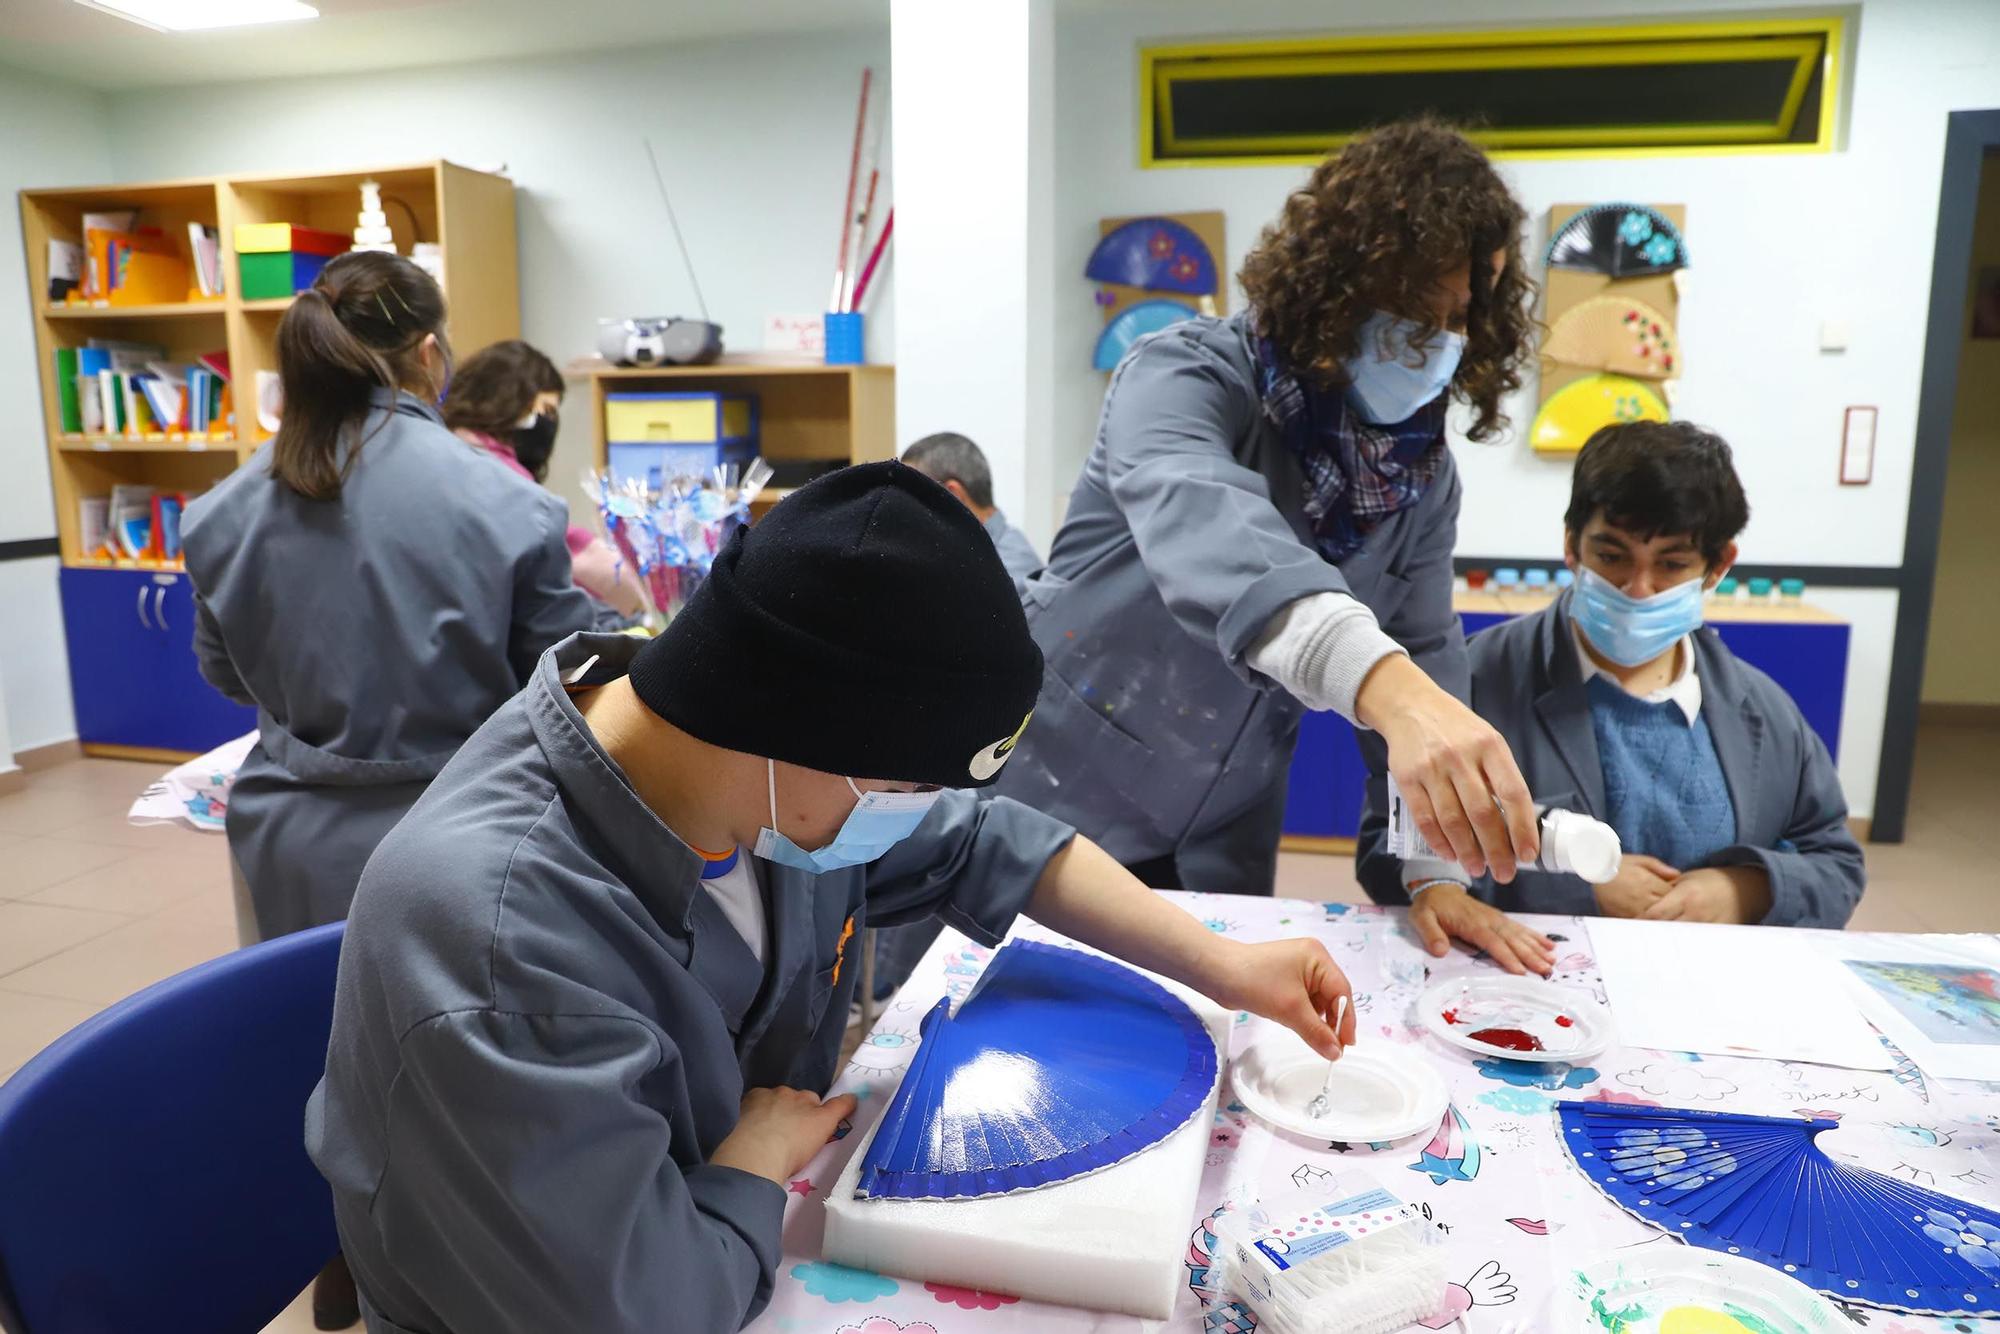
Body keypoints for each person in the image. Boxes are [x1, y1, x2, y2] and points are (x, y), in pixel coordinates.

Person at [306, 462, 1358, 1334]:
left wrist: (1223, 962)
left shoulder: (736, 774)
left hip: (717, 1224)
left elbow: (1000, 843)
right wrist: (755, 1154)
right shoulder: (507, 945)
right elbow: (643, 1308)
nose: (913, 811)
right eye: (904, 786)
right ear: (791, 728)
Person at [994, 118, 1552, 975]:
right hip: (1062, 791)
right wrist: (1385, 687)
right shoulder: (1182, 374)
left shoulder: (1417, 474)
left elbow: (1428, 648)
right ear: (1335, 283)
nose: (1434, 344)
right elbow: (1209, 526)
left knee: (1208, 1045)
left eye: (1456, 319)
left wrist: (1433, 865)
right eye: (1409, 310)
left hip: (1222, 831)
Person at [1369, 420, 1864, 927]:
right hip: (1530, 989)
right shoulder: (1470, 681)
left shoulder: (1766, 713)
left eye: (1671, 565)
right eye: (1611, 557)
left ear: (1718, 566)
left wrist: (1748, 889)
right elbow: (1387, 845)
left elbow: (1837, 865)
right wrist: (1574, 887)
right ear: (1571, 544)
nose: (1637, 589)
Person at [442, 339, 647, 621]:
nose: (549, 425)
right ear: (512, 401)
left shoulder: (443, 449)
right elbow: (568, 550)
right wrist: (646, 592)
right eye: (546, 410)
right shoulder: (504, 480)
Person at [901, 430, 1043, 583]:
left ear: (952, 494)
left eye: (911, 496)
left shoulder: (1006, 576)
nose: (904, 511)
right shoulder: (972, 557)